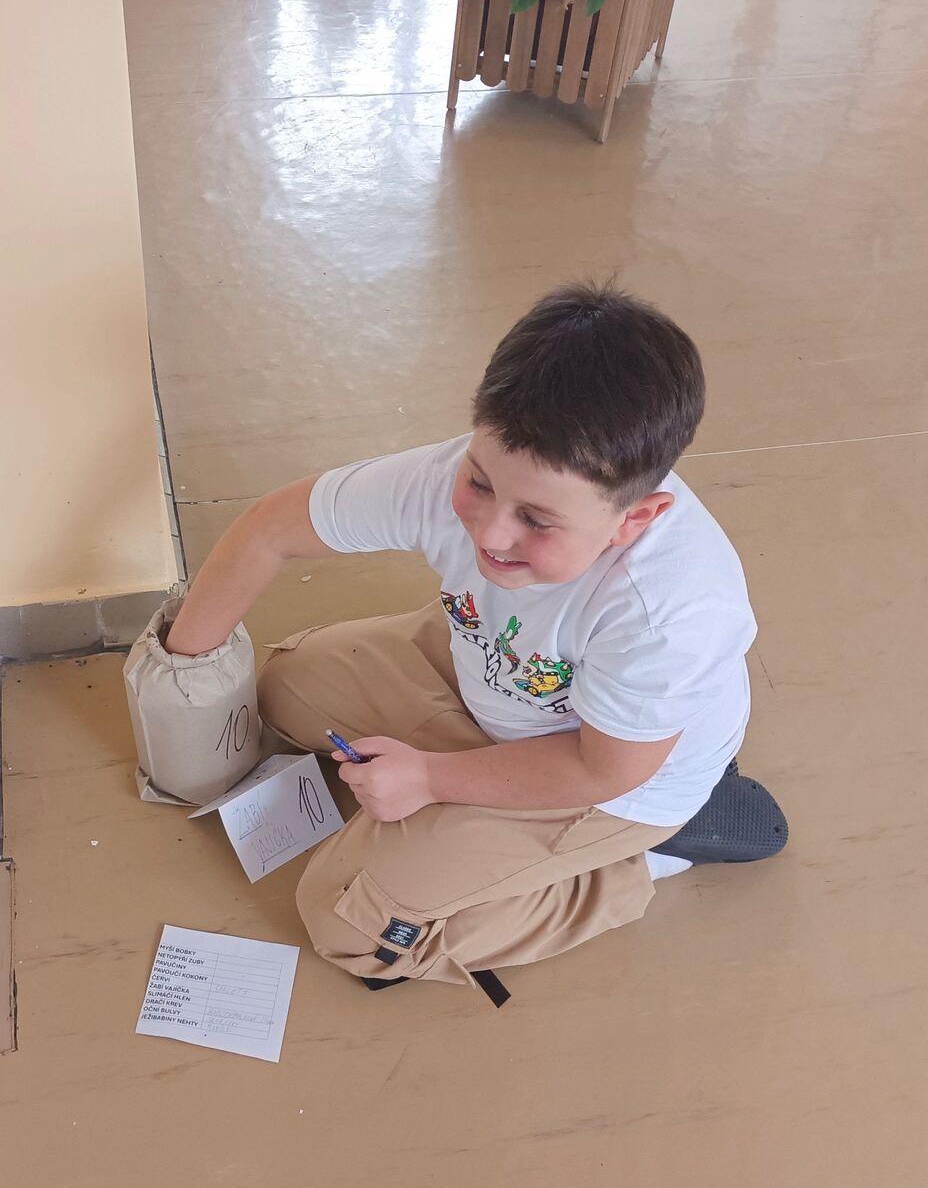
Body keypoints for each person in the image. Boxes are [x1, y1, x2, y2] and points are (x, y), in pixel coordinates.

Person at [166, 283, 786, 1005]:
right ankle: (478, 790)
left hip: (616, 775)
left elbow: (599, 769)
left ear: (635, 520)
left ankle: (636, 864)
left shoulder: (670, 612)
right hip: (498, 672)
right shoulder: (471, 475)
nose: (490, 533)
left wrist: (431, 780)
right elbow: (269, 530)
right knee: (283, 687)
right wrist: (180, 673)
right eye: (480, 482)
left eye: (537, 520)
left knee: (347, 924)